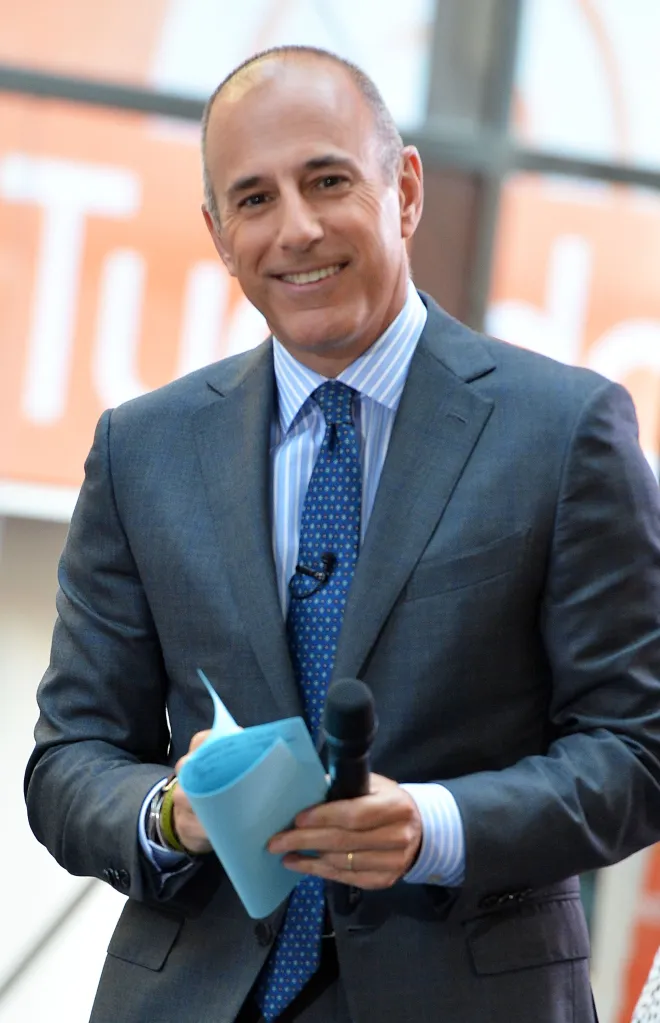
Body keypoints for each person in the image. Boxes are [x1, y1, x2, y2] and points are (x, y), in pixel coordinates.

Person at [24, 44, 660, 1023]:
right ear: (219, 235)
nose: (298, 229)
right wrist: (171, 816)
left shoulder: (567, 430)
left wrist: (435, 826)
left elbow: (636, 748)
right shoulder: (140, 450)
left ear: (404, 189)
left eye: (327, 180)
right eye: (255, 199)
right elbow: (69, 762)